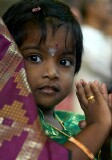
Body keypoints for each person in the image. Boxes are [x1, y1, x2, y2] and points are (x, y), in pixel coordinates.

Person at [1, 0, 112, 159]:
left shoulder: (78, 123)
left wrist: (105, 137)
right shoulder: (9, 124)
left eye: (64, 62)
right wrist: (98, 127)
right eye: (34, 57)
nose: (52, 73)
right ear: (6, 61)